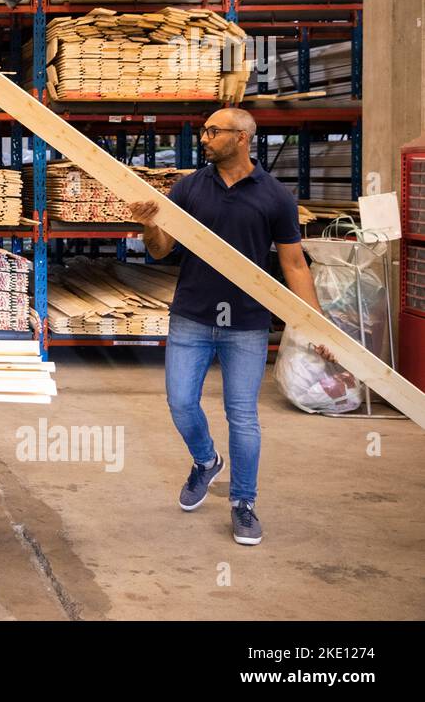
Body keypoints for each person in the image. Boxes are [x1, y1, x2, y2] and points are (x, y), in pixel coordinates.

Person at [130, 107, 331, 546]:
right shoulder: (188, 188)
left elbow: (293, 263)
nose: (204, 138)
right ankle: (206, 461)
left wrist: (316, 326)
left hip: (246, 322)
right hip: (193, 315)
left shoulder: (275, 196)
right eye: (204, 130)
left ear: (242, 138)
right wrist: (149, 225)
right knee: (181, 403)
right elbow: (162, 251)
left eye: (213, 131)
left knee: (242, 416)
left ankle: (243, 504)